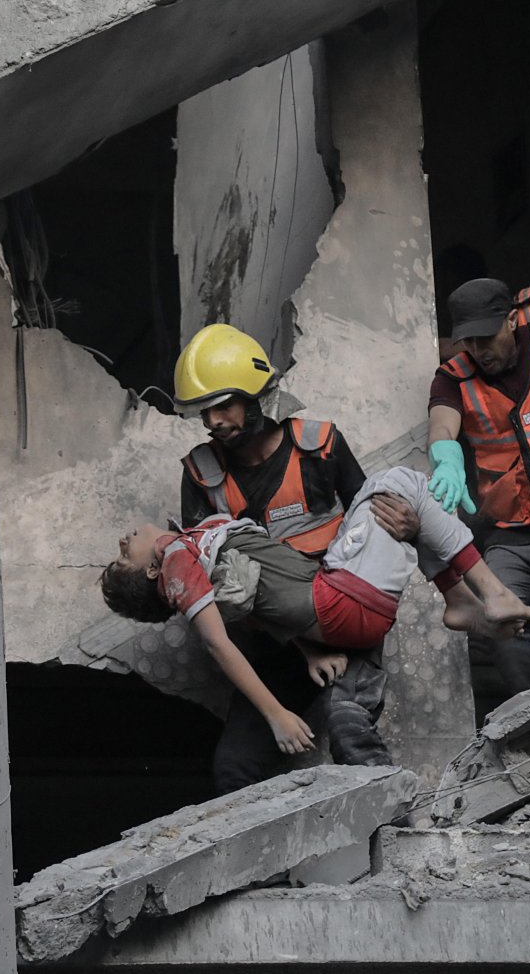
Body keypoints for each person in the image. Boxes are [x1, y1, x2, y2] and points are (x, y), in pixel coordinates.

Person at [102, 466, 530, 759]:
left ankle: (458, 602)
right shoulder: (177, 560)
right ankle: (490, 592)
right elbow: (218, 643)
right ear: (153, 571)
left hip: (336, 594)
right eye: (124, 557)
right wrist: (277, 716)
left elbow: (254, 608)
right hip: (343, 599)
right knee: (398, 483)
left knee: (392, 504)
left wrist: (310, 650)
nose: (123, 541)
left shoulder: (192, 549)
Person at [172, 323, 419, 791]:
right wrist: (305, 647)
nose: (213, 422)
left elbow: (378, 526)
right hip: (276, 643)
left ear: (255, 396)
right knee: (233, 768)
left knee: (350, 731)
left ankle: (392, 844)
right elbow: (218, 595)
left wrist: (412, 526)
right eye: (204, 412)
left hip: (346, 625)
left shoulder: (320, 447)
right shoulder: (201, 477)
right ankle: (268, 867)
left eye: (223, 405)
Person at [426, 278, 530, 722]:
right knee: (500, 618)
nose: (479, 349)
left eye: (487, 336)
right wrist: (445, 457)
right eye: (469, 340)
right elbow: (442, 424)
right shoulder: (453, 377)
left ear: (513, 319)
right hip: (511, 535)